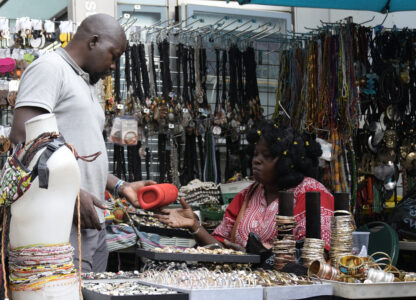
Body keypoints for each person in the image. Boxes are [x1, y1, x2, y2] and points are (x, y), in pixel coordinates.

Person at [9, 14, 155, 272]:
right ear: (94, 41)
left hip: (90, 224)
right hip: (59, 221)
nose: (114, 67)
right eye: (114, 55)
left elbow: (83, 155)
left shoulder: (83, 82)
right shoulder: (50, 68)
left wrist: (121, 186)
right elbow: (23, 137)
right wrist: (69, 193)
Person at [156, 121, 334, 250]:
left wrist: (256, 257)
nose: (256, 160)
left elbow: (316, 254)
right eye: (256, 154)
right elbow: (221, 247)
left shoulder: (311, 193)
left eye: (266, 155)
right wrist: (195, 226)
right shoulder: (248, 194)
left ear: (288, 161)